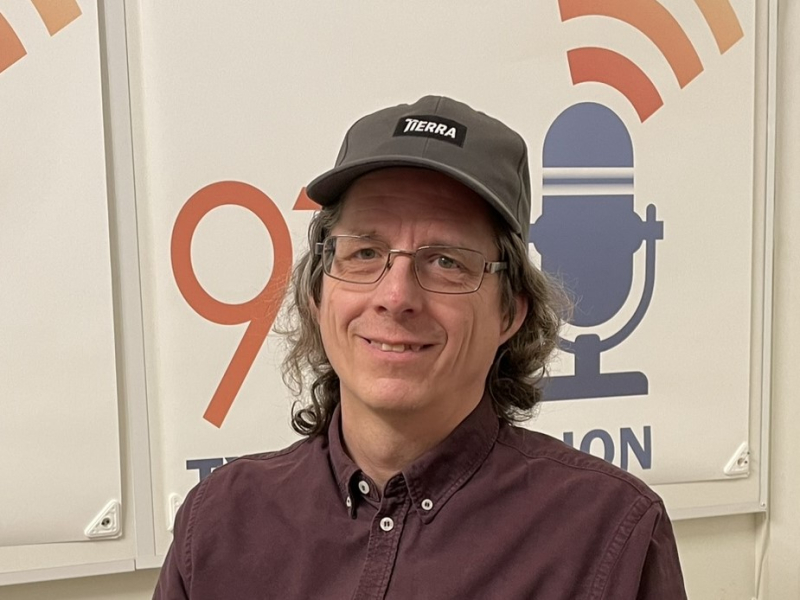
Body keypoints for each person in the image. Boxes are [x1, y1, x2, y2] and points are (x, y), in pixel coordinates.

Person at [154, 96, 687, 599]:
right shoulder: (219, 522)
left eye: (446, 261)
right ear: (318, 292)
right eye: (365, 252)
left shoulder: (607, 533)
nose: (395, 297)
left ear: (510, 312)